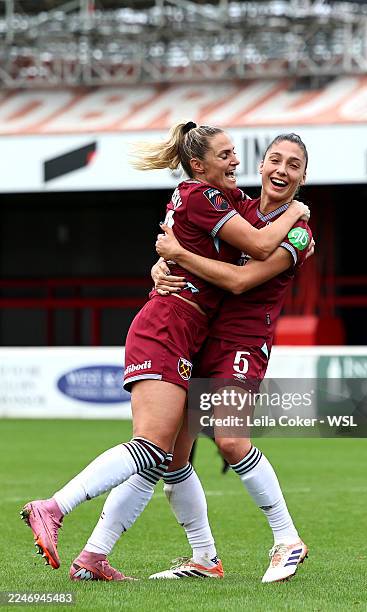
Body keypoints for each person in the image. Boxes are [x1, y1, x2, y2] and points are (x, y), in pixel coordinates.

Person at [20, 123, 308, 582]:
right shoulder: (233, 206)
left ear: (303, 177)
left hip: (240, 341)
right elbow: (213, 243)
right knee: (161, 453)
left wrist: (176, 254)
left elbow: (238, 278)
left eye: (294, 165)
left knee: (215, 443)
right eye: (274, 160)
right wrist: (165, 261)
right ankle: (189, 557)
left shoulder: (294, 231)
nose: (281, 169)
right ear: (262, 164)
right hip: (182, 331)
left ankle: (286, 539)